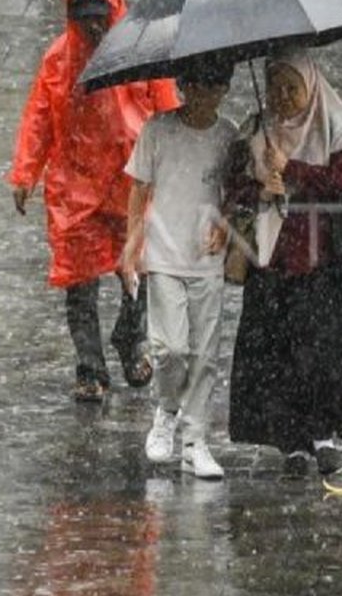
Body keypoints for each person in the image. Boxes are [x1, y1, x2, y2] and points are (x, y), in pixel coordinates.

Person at [7, 0, 181, 403]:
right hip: (76, 186)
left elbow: (166, 109)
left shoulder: (140, 55)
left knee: (139, 266)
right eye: (84, 17)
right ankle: (90, 368)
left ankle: (131, 338)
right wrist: (26, 172)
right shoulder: (59, 60)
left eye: (99, 16)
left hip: (130, 181)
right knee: (80, 280)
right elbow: (40, 118)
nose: (92, 26)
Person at [224, 48, 342, 478]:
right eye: (275, 88)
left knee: (319, 352)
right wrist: (261, 187)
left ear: (311, 86)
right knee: (275, 355)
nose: (283, 97)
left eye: (292, 88)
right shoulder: (256, 130)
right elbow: (233, 189)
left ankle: (323, 433)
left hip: (325, 261)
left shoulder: (334, 122)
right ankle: (292, 443)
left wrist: (296, 169)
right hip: (272, 261)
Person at [122, 55, 238, 480]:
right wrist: (132, 245)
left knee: (204, 354)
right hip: (165, 256)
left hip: (206, 260)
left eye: (215, 88)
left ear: (224, 90)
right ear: (183, 87)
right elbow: (139, 188)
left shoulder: (229, 137)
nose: (204, 97)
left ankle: (195, 440)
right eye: (197, 87)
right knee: (170, 349)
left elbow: (235, 191)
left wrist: (225, 222)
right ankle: (166, 409)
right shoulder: (157, 131)